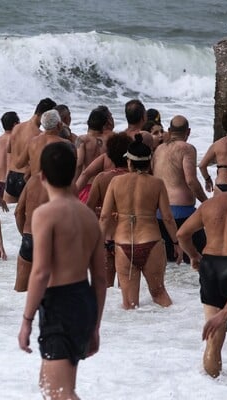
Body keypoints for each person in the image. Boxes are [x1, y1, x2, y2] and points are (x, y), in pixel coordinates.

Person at [18, 141, 106, 400]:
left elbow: (41, 272)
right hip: (83, 302)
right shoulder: (90, 218)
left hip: (60, 304)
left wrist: (26, 321)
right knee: (48, 386)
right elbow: (100, 280)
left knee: (59, 394)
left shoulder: (45, 214)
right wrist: (95, 326)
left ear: (42, 176)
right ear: (73, 174)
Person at [177, 165, 227, 378]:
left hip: (209, 266)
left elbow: (182, 234)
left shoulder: (211, 204)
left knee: (214, 336)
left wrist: (194, 256)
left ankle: (210, 388)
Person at [100, 134, 181, 309]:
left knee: (129, 305)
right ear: (149, 162)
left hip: (122, 245)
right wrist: (176, 242)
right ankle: (174, 330)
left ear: (129, 162)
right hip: (150, 241)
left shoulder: (115, 182)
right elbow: (167, 217)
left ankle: (136, 336)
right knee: (160, 296)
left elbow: (105, 217)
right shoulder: (157, 183)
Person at [152, 115, 208, 263]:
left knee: (168, 264)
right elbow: (191, 180)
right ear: (188, 132)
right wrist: (206, 202)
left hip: (160, 214)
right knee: (201, 258)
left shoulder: (158, 150)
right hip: (184, 214)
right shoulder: (187, 149)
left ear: (169, 131)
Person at [86, 134, 132, 287]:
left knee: (106, 290)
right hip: (128, 239)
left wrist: (101, 213)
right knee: (126, 290)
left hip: (105, 239)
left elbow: (88, 210)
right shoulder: (136, 179)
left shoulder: (101, 178)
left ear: (110, 156)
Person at [5, 98, 56, 203]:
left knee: (10, 216)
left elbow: (9, 150)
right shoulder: (39, 135)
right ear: (44, 115)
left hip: (11, 177)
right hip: (25, 178)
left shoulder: (16, 128)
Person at [14, 174, 49, 292]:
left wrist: (24, 235)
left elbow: (18, 211)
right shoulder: (64, 183)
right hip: (49, 241)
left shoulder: (33, 180)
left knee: (20, 292)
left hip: (29, 238)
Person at [75, 107, 113, 202]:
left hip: (86, 186)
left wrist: (74, 183)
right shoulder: (109, 140)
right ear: (104, 125)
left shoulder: (82, 139)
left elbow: (79, 164)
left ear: (88, 122)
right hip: (103, 187)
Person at [16, 109, 67, 177]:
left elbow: (19, 164)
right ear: (58, 125)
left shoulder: (32, 142)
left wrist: (34, 161)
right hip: (52, 186)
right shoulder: (65, 144)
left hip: (35, 185)